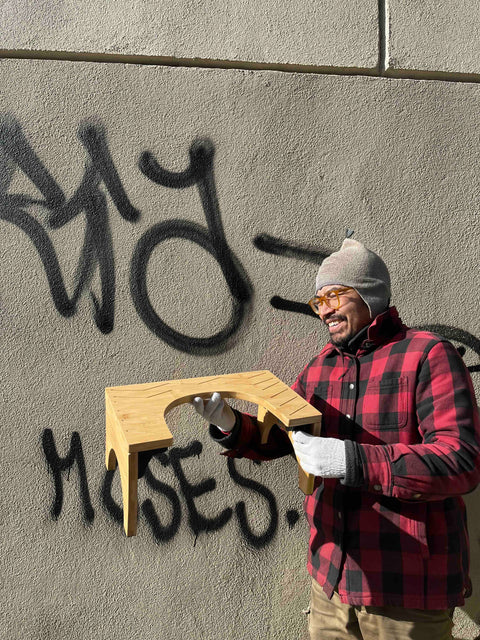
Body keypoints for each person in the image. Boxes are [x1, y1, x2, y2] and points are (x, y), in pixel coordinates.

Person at [192, 236, 480, 640]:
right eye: (317, 301)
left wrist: (352, 461)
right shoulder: (318, 369)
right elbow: (278, 440)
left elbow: (460, 462)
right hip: (330, 585)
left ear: (370, 295)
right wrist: (229, 424)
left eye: (334, 295)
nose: (323, 309)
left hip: (405, 592)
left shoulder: (427, 355)